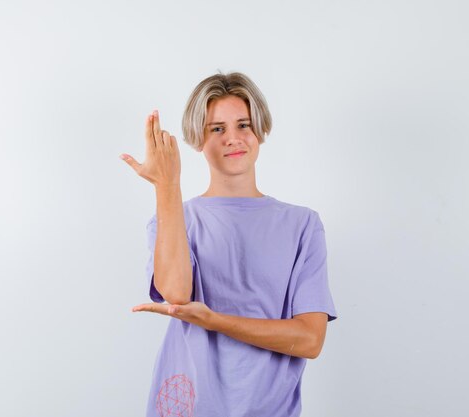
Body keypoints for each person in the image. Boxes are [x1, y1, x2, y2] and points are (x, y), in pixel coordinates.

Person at [119, 72, 338, 417]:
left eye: (244, 125)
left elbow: (310, 340)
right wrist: (167, 186)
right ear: (198, 139)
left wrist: (214, 320)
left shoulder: (302, 225)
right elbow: (177, 294)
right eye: (217, 129)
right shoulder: (176, 217)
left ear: (260, 131)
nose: (233, 139)